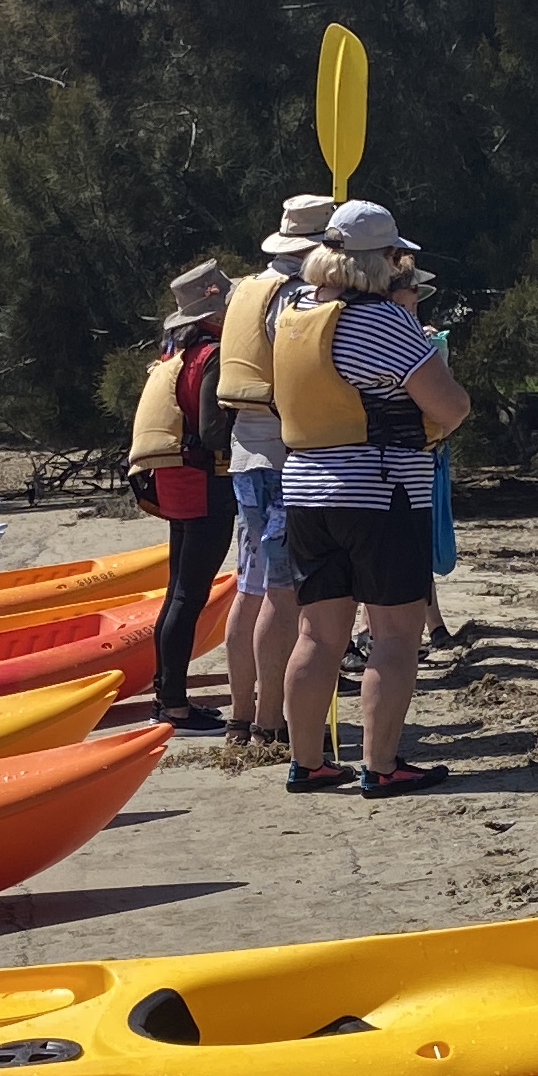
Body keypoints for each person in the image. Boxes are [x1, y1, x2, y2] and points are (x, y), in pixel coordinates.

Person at [273, 200, 469, 795]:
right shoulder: (382, 319)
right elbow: (449, 407)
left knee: (317, 635)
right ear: (381, 260)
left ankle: (307, 761)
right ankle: (381, 766)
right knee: (395, 634)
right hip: (381, 494)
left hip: (306, 490)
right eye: (397, 256)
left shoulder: (294, 313)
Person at [211, 193, 336, 766]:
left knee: (251, 587)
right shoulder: (295, 296)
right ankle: (268, 725)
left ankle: (241, 715)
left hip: (245, 455)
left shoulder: (244, 289)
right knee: (281, 594)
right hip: (285, 458)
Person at [126, 258, 239, 728]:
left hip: (177, 479)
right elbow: (214, 431)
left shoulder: (176, 352)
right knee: (187, 596)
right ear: (214, 310)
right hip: (204, 481)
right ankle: (171, 702)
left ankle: (167, 696)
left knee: (179, 591)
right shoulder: (212, 354)